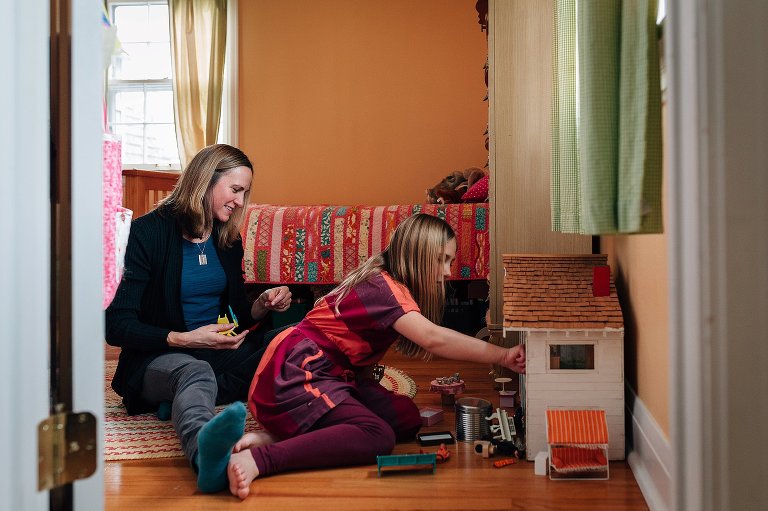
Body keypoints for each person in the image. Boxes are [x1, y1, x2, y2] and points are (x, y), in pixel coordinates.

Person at [194, 213, 526, 498]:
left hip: (331, 373)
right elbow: (433, 339)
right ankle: (261, 458)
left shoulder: (390, 282)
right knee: (376, 435)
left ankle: (280, 434)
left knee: (405, 418)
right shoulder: (384, 288)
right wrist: (503, 354)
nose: (448, 271)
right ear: (419, 256)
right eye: (442, 260)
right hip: (296, 374)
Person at [105, 144, 292, 492]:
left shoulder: (227, 239)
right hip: (162, 356)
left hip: (215, 353)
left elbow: (232, 314)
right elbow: (116, 326)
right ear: (205, 180)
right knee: (194, 371)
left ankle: (183, 398)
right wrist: (185, 339)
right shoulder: (146, 235)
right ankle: (205, 456)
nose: (240, 201)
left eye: (244, 193)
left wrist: (262, 306)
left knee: (289, 340)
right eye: (235, 190)